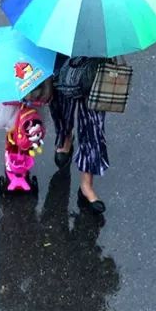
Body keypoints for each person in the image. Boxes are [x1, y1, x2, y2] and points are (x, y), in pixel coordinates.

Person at [50, 55, 110, 214]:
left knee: (93, 127)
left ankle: (86, 184)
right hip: (62, 60)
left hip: (94, 69)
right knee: (62, 109)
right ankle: (65, 137)